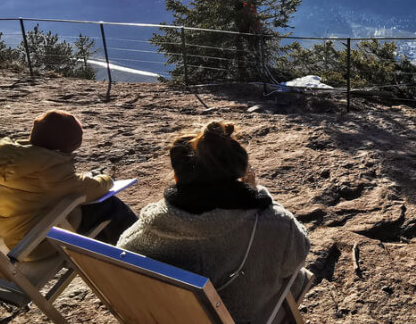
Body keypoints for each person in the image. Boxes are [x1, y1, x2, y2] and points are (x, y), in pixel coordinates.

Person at [118, 121, 311, 324]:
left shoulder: (151, 227)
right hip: (237, 316)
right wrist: (258, 196)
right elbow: (297, 257)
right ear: (240, 173)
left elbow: (122, 250)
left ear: (177, 177)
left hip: (171, 315)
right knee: (296, 277)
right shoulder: (274, 224)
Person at [0, 109, 138, 261]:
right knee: (108, 206)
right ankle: (140, 250)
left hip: (13, 236)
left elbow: (56, 186)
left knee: (87, 211)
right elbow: (93, 189)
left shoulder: (15, 160)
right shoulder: (50, 171)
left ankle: (110, 257)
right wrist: (107, 179)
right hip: (37, 244)